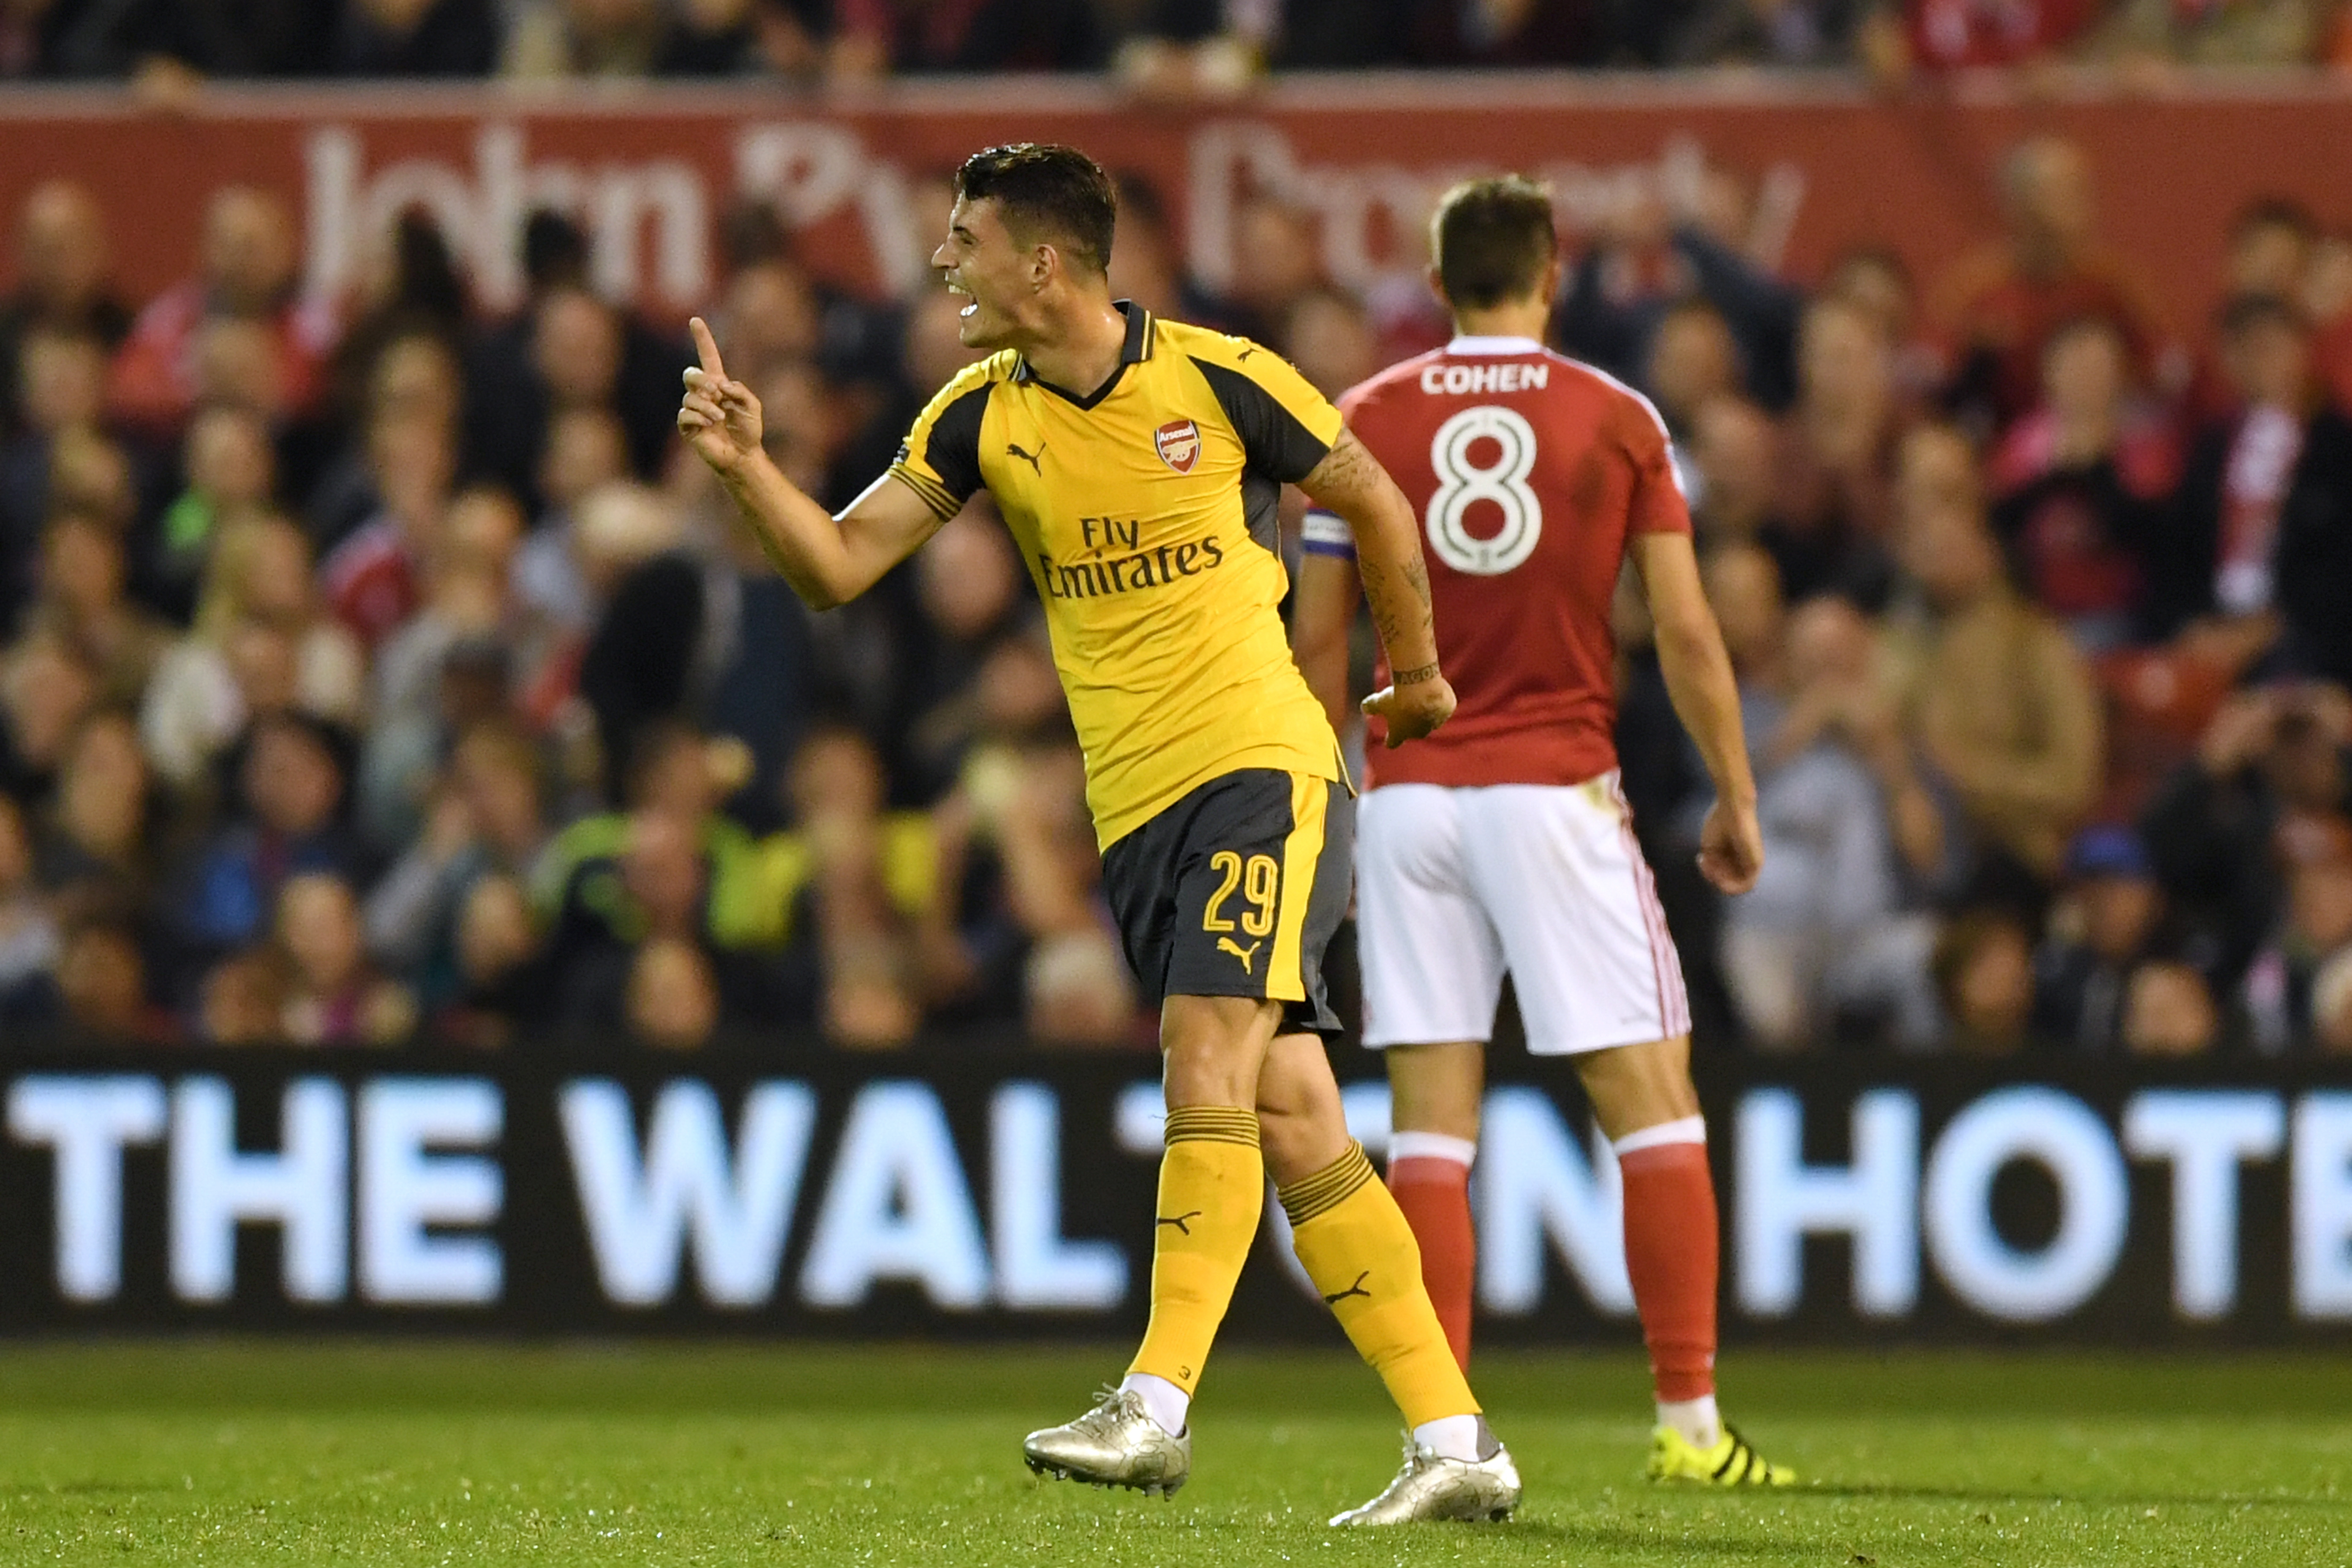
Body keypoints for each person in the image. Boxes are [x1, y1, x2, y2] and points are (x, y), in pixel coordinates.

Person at [678, 143, 1513, 1525]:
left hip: (1262, 771)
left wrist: (1414, 674)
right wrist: (746, 470)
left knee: (1204, 1052)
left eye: (964, 237)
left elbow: (1369, 494)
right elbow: (834, 565)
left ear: (1044, 262)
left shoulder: (1219, 375)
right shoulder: (975, 417)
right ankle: (1456, 1441)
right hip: (1136, 816)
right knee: (1295, 1116)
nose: (945, 260)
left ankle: (1156, 1403)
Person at [1289, 174, 1791, 1490]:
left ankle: (1440, 1439)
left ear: (1441, 280)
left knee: (1432, 1130)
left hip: (1407, 800)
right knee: (1652, 1106)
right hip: (1553, 790)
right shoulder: (1617, 417)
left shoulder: (1363, 420)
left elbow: (1315, 645)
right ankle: (1689, 1428)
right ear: (1551, 274)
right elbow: (1683, 628)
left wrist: (1314, 810)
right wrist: (1735, 795)